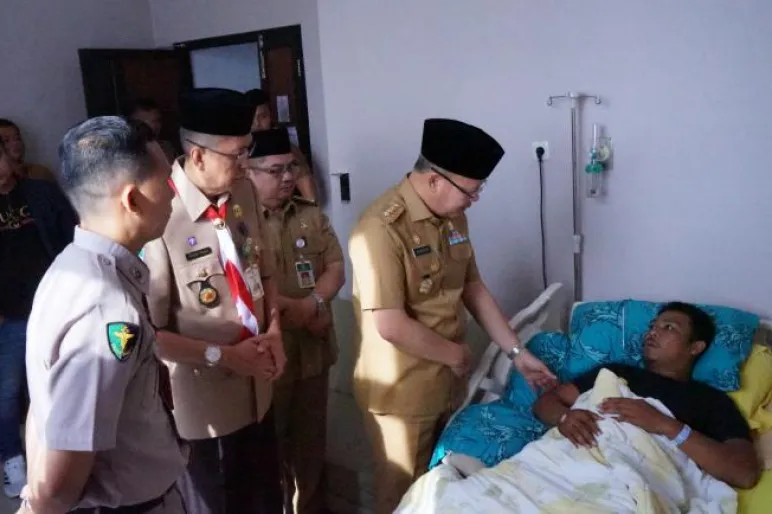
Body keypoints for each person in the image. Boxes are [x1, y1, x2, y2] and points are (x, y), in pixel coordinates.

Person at [348, 118, 557, 513]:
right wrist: (455, 355)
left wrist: (517, 353)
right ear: (434, 180)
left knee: (440, 492)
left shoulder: (451, 217)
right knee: (402, 498)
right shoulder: (380, 229)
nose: (474, 200)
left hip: (447, 382)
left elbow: (473, 288)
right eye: (470, 191)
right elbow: (390, 324)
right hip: (403, 393)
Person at [20, 116, 187, 513]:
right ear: (132, 200)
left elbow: (42, 408)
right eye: (166, 182)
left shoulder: (69, 266)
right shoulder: (107, 313)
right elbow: (56, 487)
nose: (174, 194)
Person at [142, 88, 285, 514]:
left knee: (267, 499)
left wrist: (275, 331)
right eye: (237, 154)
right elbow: (151, 334)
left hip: (259, 391)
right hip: (206, 406)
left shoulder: (244, 194)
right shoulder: (158, 215)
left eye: (248, 151)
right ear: (198, 155)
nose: (246, 164)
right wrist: (226, 356)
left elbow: (265, 272)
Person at [533, 301, 761, 489]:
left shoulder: (712, 401)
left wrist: (665, 425)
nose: (652, 332)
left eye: (668, 328)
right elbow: (546, 403)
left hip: (637, 483)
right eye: (653, 326)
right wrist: (563, 417)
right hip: (569, 467)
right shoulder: (615, 373)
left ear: (695, 347)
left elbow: (744, 473)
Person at [246, 128, 345, 514]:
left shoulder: (310, 214)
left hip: (313, 353)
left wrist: (314, 303)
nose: (287, 177)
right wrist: (299, 310)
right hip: (268, 361)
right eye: (275, 170)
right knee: (269, 452)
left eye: (291, 168)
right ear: (248, 171)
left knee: (311, 448)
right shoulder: (238, 223)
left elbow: (335, 267)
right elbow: (247, 290)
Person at [0, 136, 77, 498]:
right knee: (7, 392)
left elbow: (71, 239)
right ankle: (12, 460)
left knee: (57, 386)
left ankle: (58, 458)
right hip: (9, 316)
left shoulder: (39, 193)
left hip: (54, 307)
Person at [244, 89, 317, 202]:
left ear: (271, 117)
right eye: (250, 118)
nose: (256, 124)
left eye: (263, 116)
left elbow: (310, 197)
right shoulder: (236, 151)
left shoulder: (288, 149)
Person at [127, 99, 177, 164]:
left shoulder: (167, 148)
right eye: (140, 123)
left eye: (157, 121)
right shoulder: (124, 154)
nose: (156, 126)